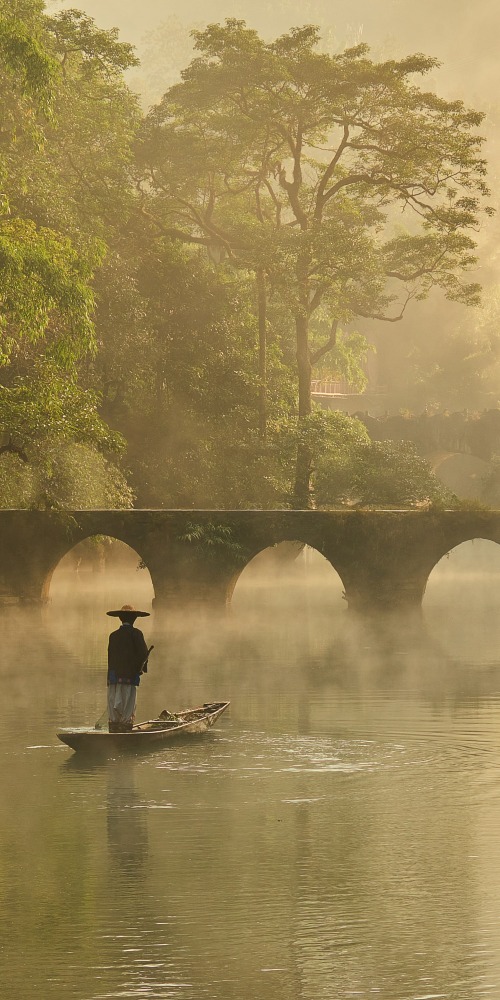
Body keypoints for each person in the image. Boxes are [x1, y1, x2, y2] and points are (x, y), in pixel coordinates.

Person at [106, 604, 150, 732]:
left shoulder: (113, 635)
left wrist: (110, 676)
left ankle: (114, 727)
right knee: (127, 702)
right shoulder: (136, 634)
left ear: (120, 618)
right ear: (134, 619)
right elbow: (143, 654)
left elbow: (110, 657)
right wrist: (141, 669)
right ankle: (125, 728)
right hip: (129, 676)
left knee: (114, 700)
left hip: (113, 676)